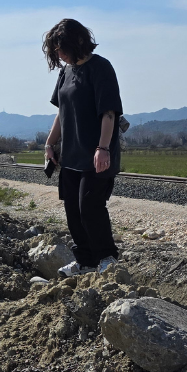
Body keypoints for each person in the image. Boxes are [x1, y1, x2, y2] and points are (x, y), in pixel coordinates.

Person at [42, 18, 123, 277]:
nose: (59, 54)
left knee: (90, 207)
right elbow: (60, 113)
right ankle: (85, 262)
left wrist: (103, 148)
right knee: (73, 210)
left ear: (78, 41)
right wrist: (50, 144)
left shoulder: (100, 68)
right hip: (71, 155)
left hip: (97, 153)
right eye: (55, 50)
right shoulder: (65, 73)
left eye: (61, 48)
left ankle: (106, 258)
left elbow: (108, 113)